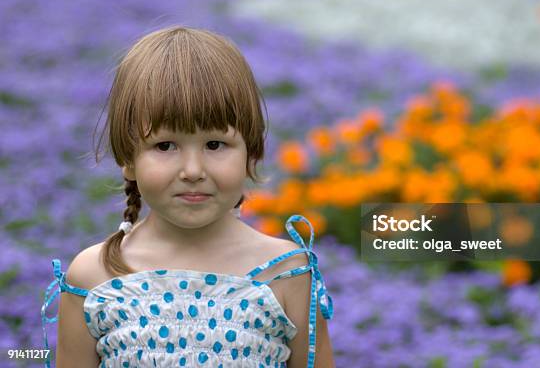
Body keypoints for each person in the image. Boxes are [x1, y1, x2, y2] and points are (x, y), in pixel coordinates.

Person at [41, 26, 334, 368]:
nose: (193, 170)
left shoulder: (287, 273)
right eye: (165, 146)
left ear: (251, 154)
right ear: (128, 159)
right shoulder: (93, 276)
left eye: (215, 144)